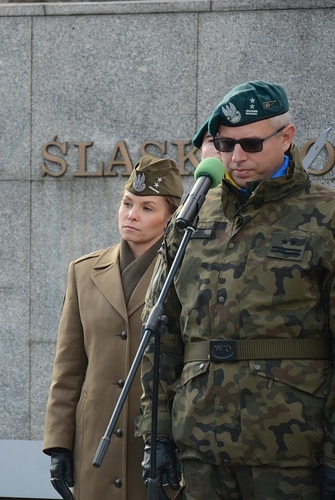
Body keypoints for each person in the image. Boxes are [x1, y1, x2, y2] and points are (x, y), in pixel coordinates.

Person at [137, 80, 335, 499]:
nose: (236, 157)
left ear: (287, 137)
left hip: (293, 451)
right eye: (225, 145)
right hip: (201, 449)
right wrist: (157, 435)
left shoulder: (325, 216)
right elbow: (162, 332)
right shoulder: (193, 217)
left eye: (250, 143)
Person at [43, 155, 183, 500]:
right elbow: (69, 368)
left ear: (170, 219)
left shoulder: (184, 273)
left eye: (147, 208)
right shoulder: (84, 272)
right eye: (127, 203)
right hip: (95, 446)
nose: (131, 214)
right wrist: (59, 444)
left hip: (158, 443)